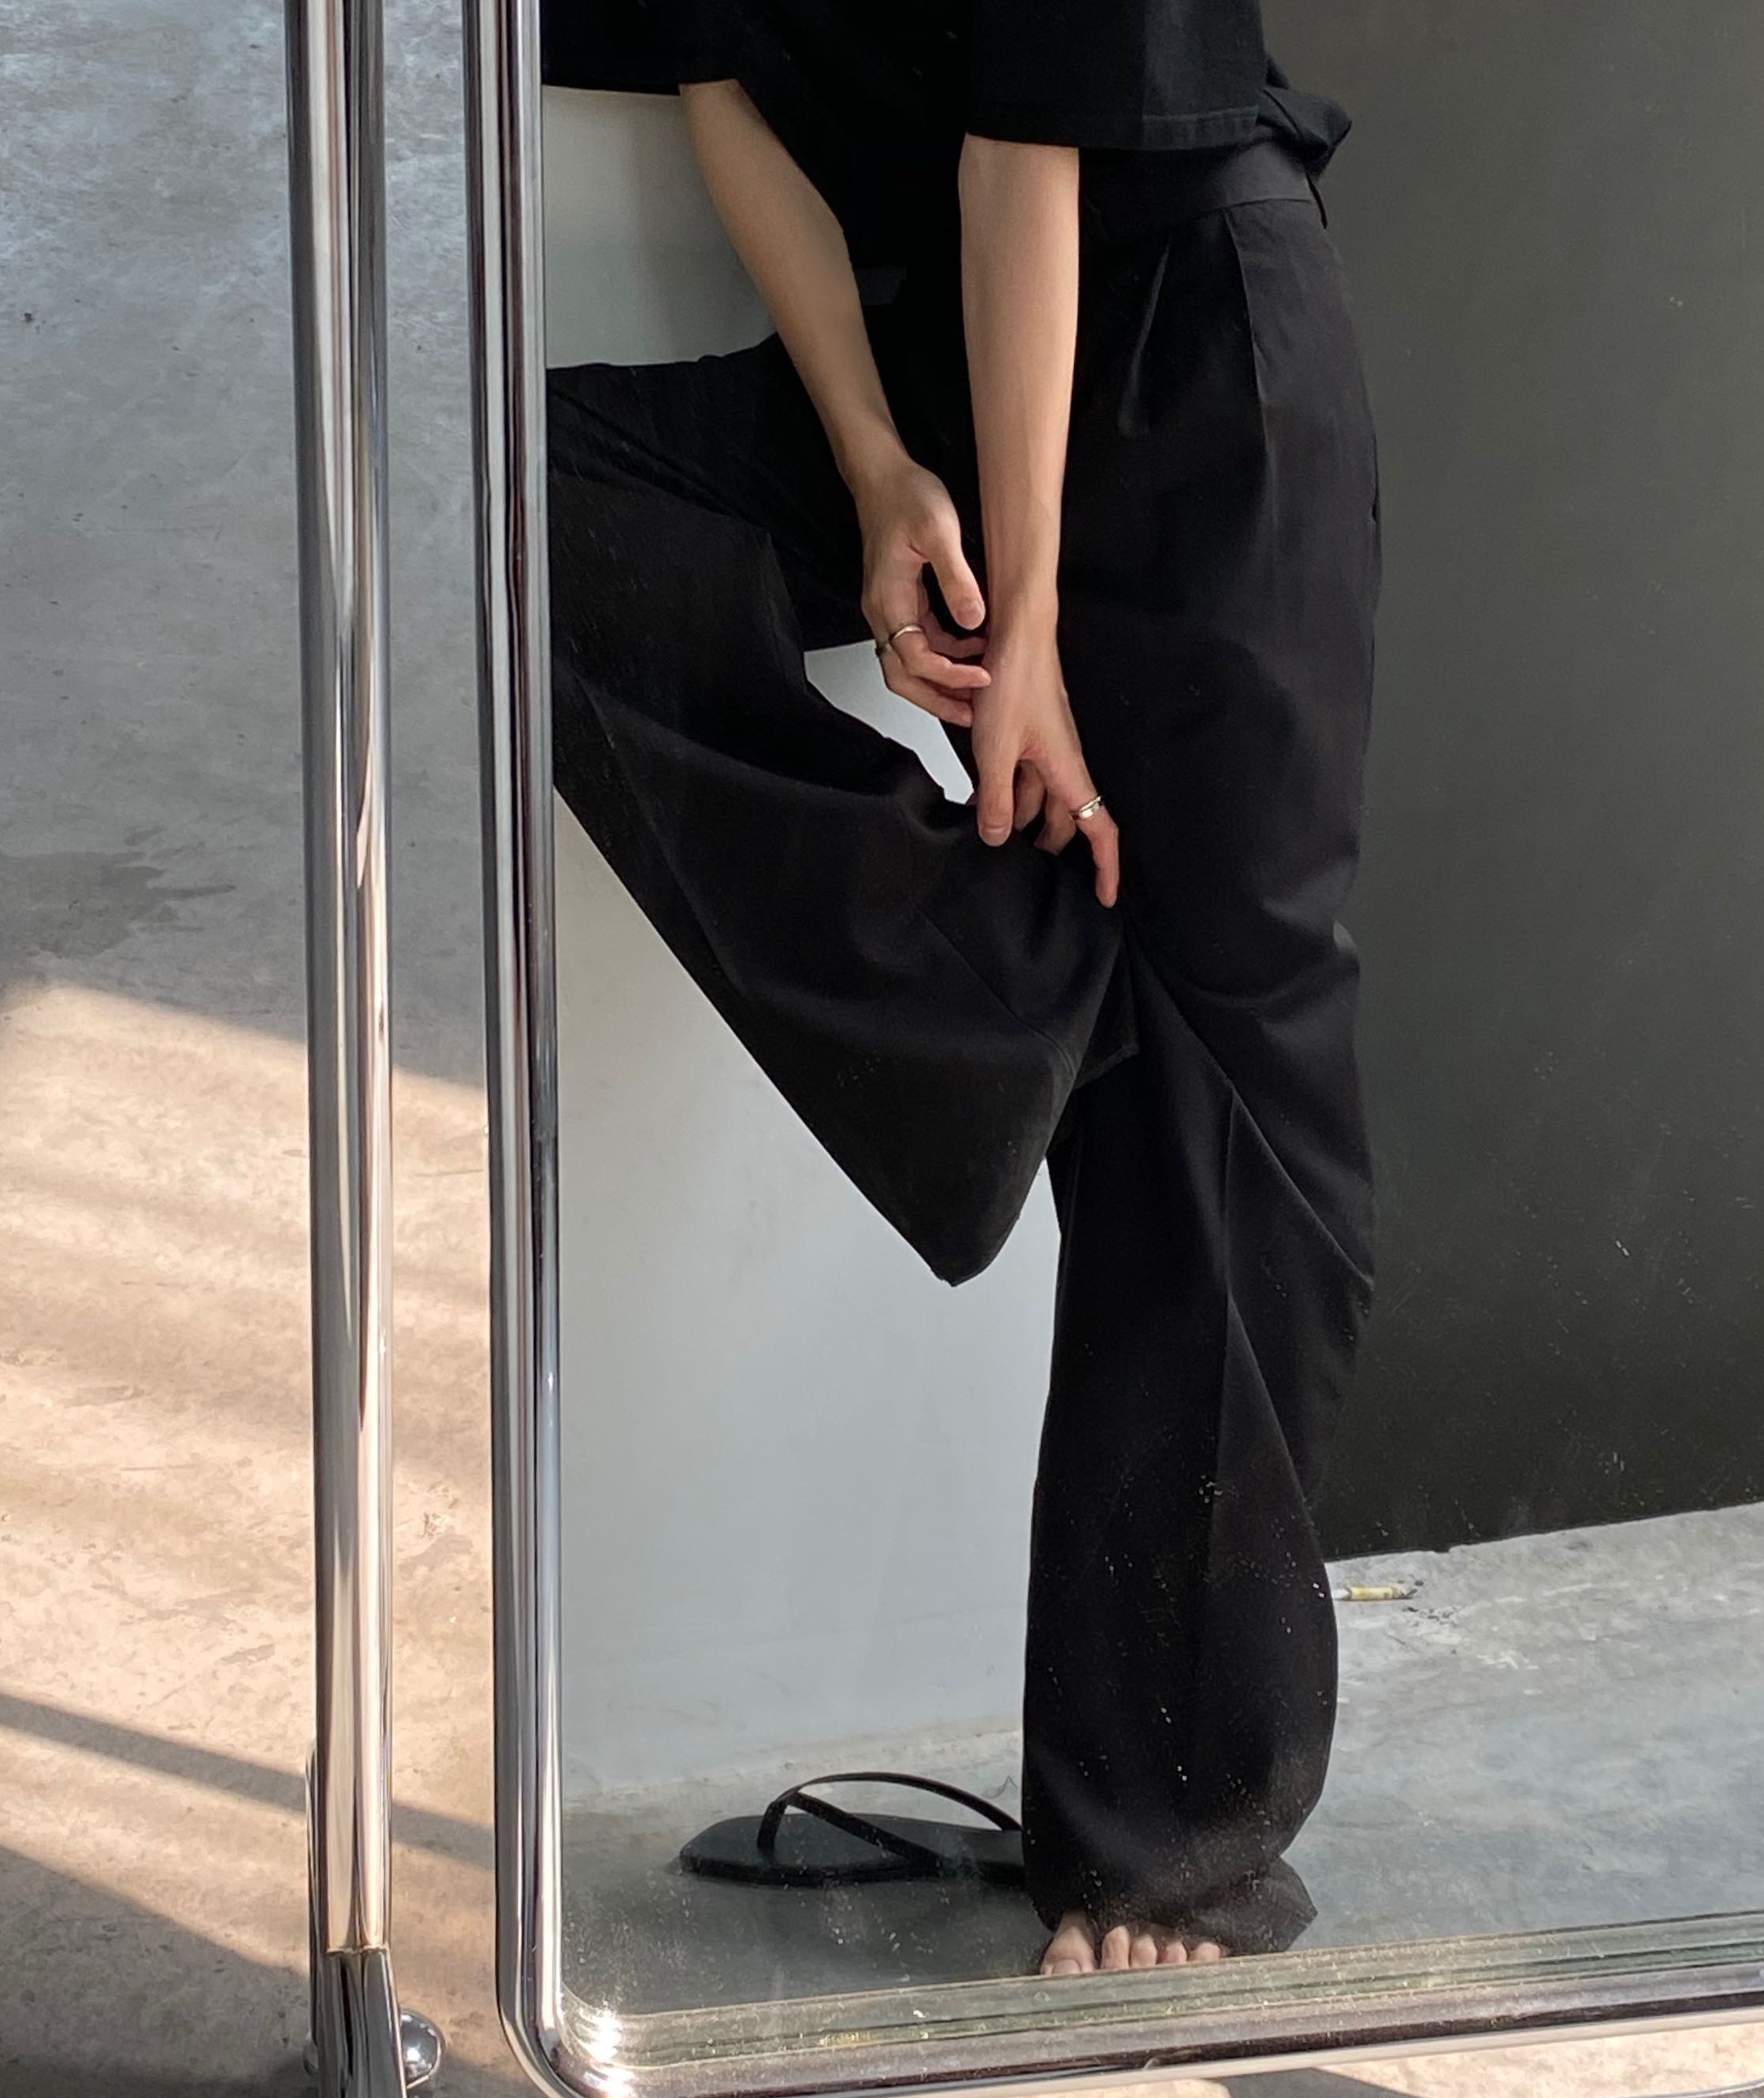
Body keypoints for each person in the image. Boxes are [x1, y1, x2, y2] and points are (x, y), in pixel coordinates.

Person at [541, 0, 1383, 1975]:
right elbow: (720, 88)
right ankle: (1021, 992)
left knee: (1241, 1110)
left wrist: (1034, 626)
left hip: (1191, 345)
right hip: (942, 360)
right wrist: (867, 465)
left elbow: (1033, 157)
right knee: (497, 502)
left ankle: (1170, 1841)